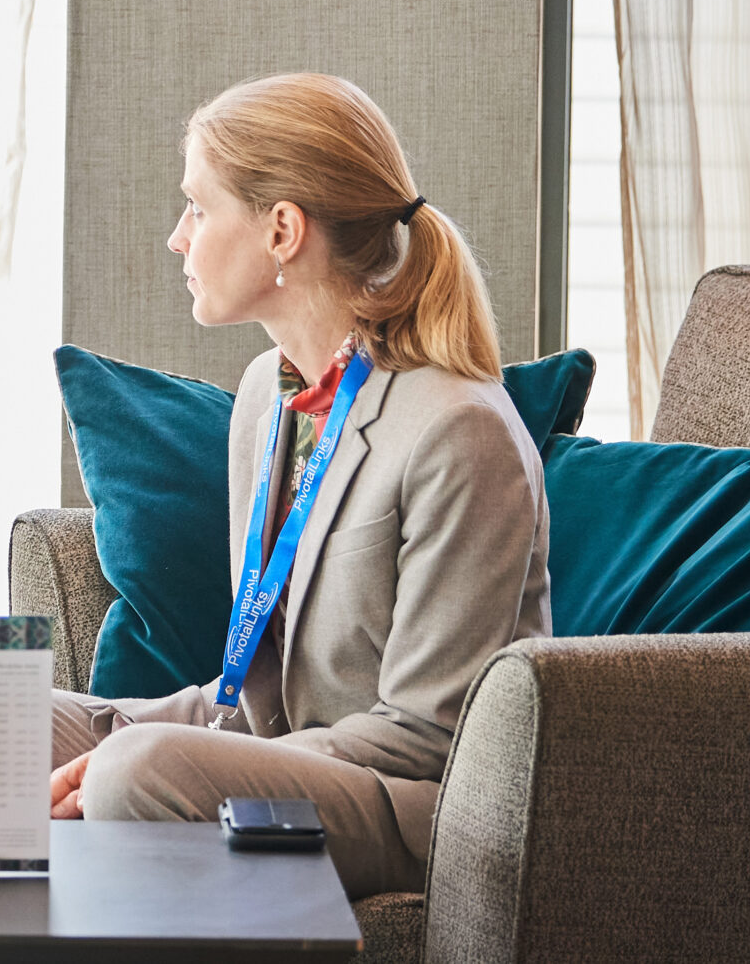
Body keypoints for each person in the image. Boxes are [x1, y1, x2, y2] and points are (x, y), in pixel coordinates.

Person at [48, 73, 549, 899]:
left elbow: (430, 735)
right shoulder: (267, 393)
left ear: (281, 229)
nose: (179, 237)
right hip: (282, 754)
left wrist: (167, 760)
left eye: (199, 209)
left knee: (133, 773)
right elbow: (255, 690)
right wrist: (148, 734)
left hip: (406, 802)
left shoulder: (459, 430)